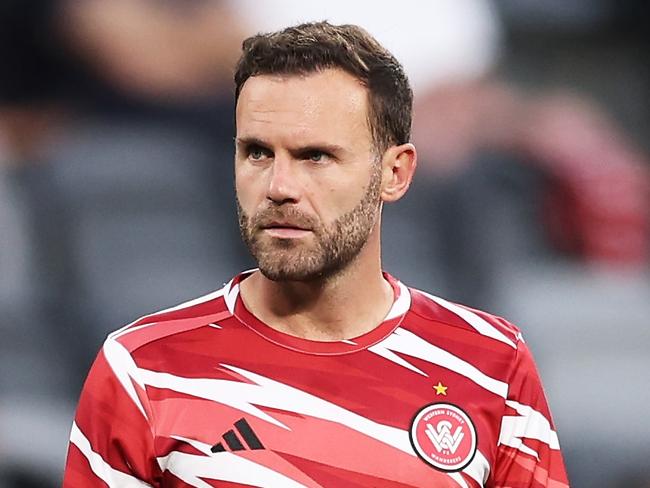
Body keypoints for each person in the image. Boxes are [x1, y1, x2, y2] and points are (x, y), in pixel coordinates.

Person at [63, 22, 569, 487]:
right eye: (257, 152)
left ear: (395, 173)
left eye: (315, 156)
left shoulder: (492, 363)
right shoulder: (142, 369)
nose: (279, 187)